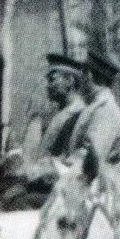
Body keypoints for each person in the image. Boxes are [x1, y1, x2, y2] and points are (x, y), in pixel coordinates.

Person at [14, 54, 87, 190]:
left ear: (69, 81)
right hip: (44, 180)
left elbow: (68, 161)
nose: (48, 86)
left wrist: (35, 172)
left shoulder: (79, 115)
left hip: (59, 187)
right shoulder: (60, 113)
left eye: (52, 80)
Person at [71, 50, 120, 167]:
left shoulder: (105, 111)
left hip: (98, 183)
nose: (79, 78)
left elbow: (92, 157)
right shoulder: (95, 106)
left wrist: (61, 164)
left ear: (89, 75)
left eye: (82, 72)